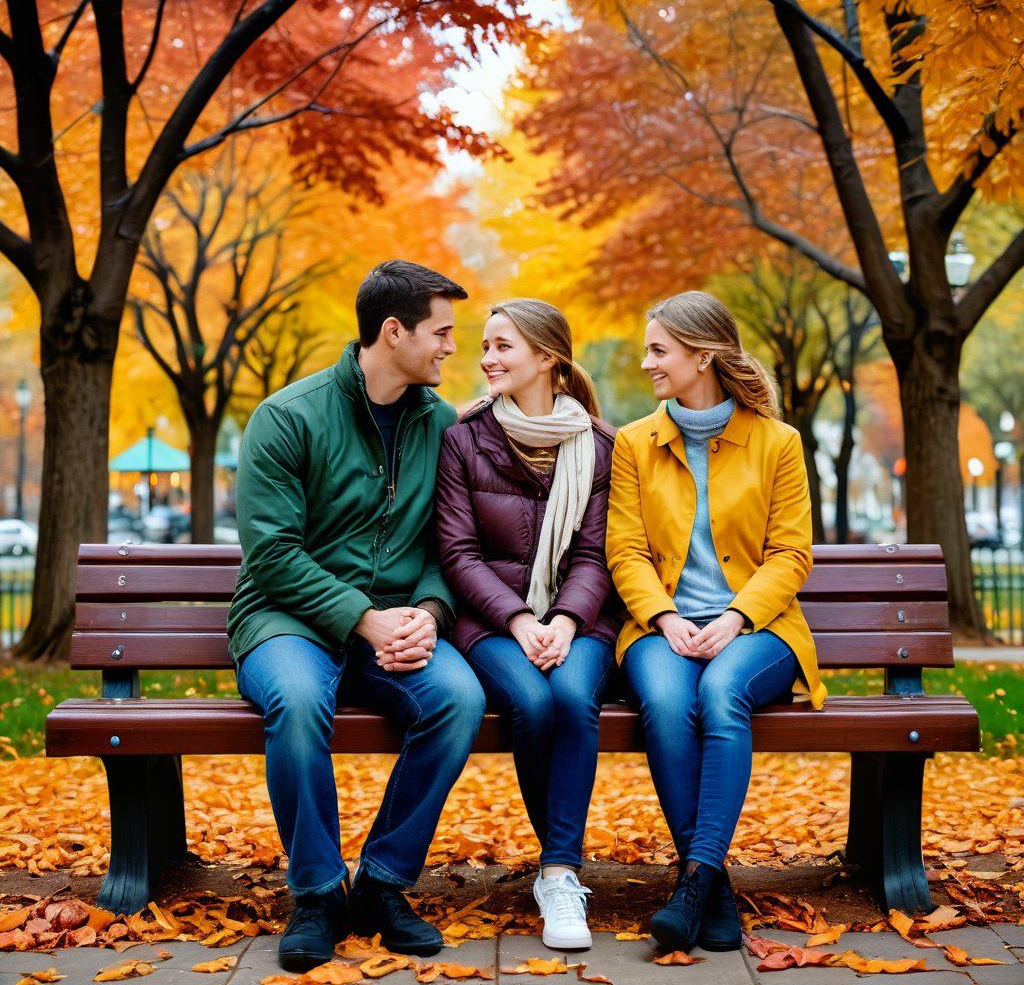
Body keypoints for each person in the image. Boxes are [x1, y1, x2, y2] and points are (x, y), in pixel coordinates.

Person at [228, 260, 487, 971]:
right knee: (302, 698)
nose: (450, 348)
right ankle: (316, 893)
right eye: (440, 332)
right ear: (393, 331)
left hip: (399, 628)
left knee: (460, 698)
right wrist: (362, 619)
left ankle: (380, 884)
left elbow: (448, 543)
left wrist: (430, 613)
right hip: (286, 622)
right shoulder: (288, 417)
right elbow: (273, 555)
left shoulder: (442, 426)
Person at [605, 290, 826, 953]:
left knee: (718, 693)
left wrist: (735, 617)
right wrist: (664, 617)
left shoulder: (777, 443)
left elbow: (792, 553)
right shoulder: (634, 443)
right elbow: (626, 549)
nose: (648, 363)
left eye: (659, 350)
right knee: (669, 703)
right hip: (660, 630)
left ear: (702, 356)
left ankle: (694, 882)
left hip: (757, 629)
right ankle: (710, 883)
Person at [435, 299, 620, 951]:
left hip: (582, 622)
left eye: (502, 346)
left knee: (572, 696)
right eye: (484, 346)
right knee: (534, 703)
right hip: (490, 624)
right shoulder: (464, 439)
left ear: (547, 357)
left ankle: (559, 873)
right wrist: (517, 620)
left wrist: (567, 621)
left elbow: (597, 555)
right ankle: (560, 864)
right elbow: (457, 554)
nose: (486, 358)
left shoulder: (599, 446)